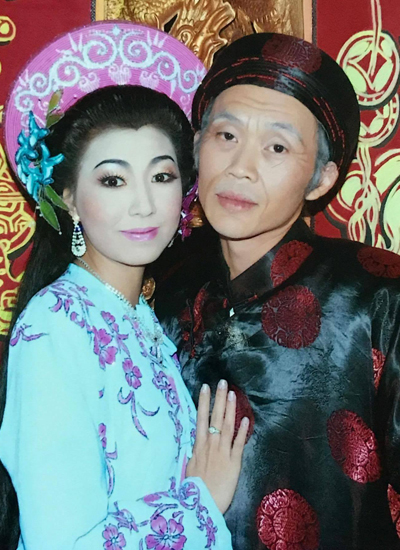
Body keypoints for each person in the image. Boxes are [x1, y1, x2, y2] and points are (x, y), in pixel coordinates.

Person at [0, 22, 249, 550]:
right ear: (68, 197)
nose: (144, 204)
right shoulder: (52, 328)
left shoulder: (145, 318)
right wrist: (201, 502)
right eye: (113, 180)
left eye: (161, 176)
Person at [155, 33, 400, 549]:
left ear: (321, 178)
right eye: (226, 135)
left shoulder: (379, 297)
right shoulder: (160, 283)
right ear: (196, 144)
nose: (240, 167)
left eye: (277, 147)